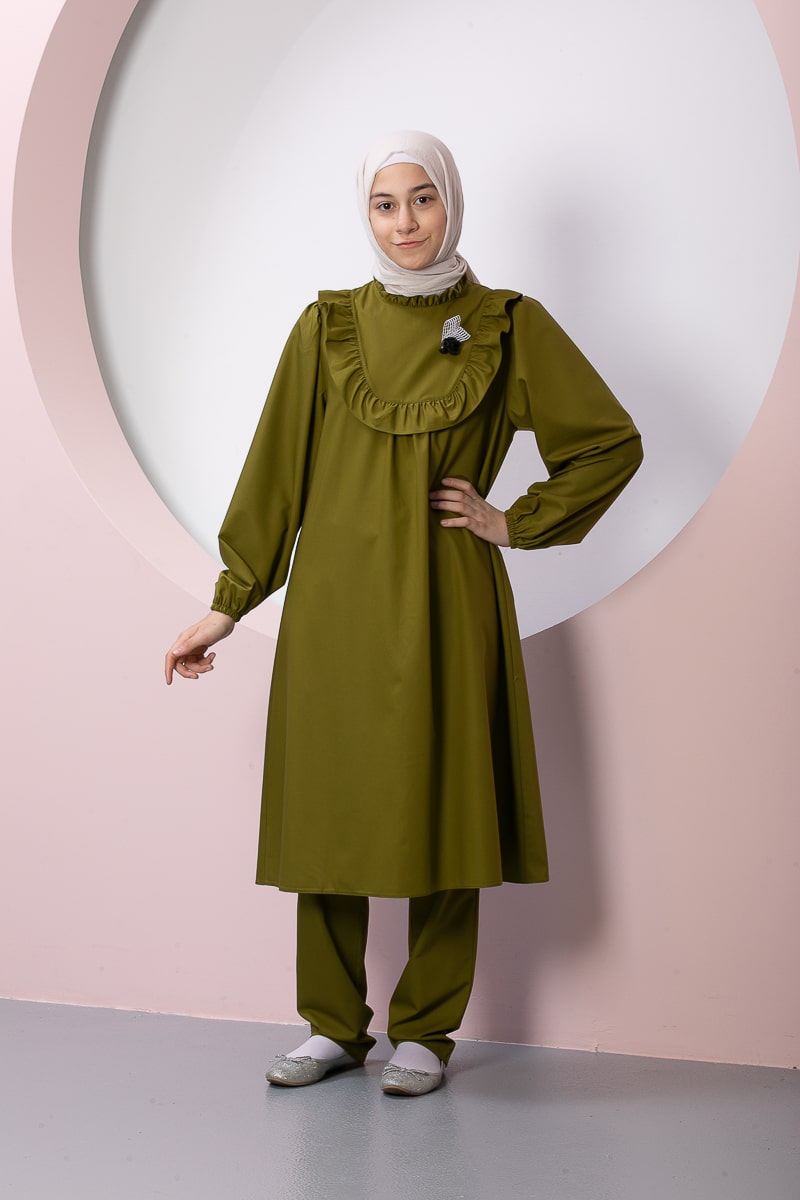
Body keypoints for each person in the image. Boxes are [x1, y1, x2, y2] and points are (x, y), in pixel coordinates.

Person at [164, 131, 643, 1097]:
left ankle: (425, 1029)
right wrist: (227, 605)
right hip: (334, 606)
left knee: (446, 804)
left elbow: (607, 443)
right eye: (385, 204)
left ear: (451, 203)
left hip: (447, 599)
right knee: (328, 811)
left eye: (423, 198)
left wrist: (513, 521)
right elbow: (274, 476)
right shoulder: (327, 325)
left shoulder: (507, 323)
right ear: (367, 215)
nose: (406, 221)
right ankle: (332, 1026)